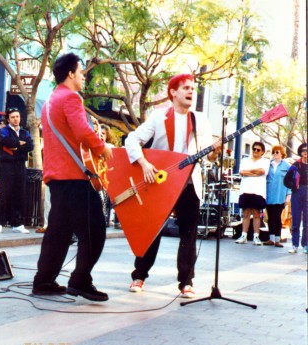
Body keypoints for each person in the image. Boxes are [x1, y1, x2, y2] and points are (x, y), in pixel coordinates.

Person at [124, 73, 221, 298]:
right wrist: (144, 164)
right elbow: (132, 140)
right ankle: (139, 275)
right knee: (152, 230)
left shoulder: (200, 120)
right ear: (173, 92)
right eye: (186, 88)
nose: (190, 92)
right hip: (160, 182)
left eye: (192, 89)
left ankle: (186, 282)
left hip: (189, 183)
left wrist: (214, 153)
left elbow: (208, 157)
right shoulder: (159, 117)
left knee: (189, 233)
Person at [32, 53, 112, 301]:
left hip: (57, 177)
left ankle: (43, 281)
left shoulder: (50, 101)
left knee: (59, 232)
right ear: (70, 73)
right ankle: (80, 280)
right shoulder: (71, 98)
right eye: (81, 71)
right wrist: (102, 148)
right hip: (75, 178)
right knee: (95, 229)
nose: (83, 76)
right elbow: (82, 131)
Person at [0, 108, 33, 234]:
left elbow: (30, 146)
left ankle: (17, 223)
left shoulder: (25, 132)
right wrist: (18, 144)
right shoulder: (4, 130)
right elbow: (4, 141)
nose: (16, 119)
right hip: (7, 165)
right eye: (13, 117)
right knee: (4, 193)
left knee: (19, 193)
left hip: (20, 165)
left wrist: (15, 146)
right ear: (8, 119)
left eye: (17, 116)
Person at [235, 142, 269, 245]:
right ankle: (243, 235)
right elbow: (242, 172)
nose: (255, 151)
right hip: (245, 190)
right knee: (245, 213)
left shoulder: (265, 161)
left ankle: (256, 236)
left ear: (262, 152)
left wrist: (249, 171)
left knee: (256, 214)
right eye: (254, 149)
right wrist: (254, 172)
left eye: (258, 150)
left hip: (258, 191)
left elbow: (262, 172)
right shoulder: (245, 160)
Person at [263, 145, 291, 248]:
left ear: (282, 154)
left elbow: (290, 182)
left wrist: (288, 196)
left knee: (277, 217)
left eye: (277, 152)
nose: (275, 154)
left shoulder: (287, 166)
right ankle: (271, 239)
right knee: (270, 217)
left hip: (280, 195)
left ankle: (278, 239)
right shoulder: (268, 165)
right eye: (274, 152)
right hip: (269, 195)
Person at [285, 143, 307, 254]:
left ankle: (305, 245)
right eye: (303, 150)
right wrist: (293, 185)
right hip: (297, 192)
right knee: (296, 220)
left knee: (307, 221)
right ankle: (294, 245)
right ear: (300, 152)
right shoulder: (295, 165)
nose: (305, 152)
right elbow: (286, 180)